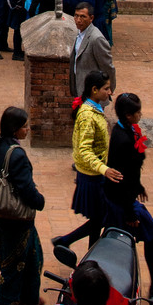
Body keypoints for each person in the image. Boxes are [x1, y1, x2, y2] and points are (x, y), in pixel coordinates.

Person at [104, 92, 153, 304]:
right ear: (128, 115)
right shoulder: (123, 140)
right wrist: (130, 211)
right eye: (137, 112)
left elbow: (131, 172)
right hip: (123, 202)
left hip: (123, 198)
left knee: (120, 240)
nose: (141, 115)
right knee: (145, 237)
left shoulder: (125, 130)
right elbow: (123, 176)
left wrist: (138, 186)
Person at [0, 107, 45, 305]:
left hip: (6, 216)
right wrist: (39, 200)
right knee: (14, 265)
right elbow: (26, 188)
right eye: (25, 127)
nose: (28, 130)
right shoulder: (17, 154)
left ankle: (28, 299)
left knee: (33, 256)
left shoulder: (1, 144)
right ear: (15, 129)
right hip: (17, 220)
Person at [53, 70, 122, 250]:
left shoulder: (93, 109)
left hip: (95, 173)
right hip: (91, 176)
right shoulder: (87, 115)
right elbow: (84, 149)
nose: (110, 92)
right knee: (101, 217)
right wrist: (103, 168)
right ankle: (68, 242)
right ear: (94, 90)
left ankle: (75, 245)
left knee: (99, 218)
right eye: (106, 89)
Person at [69, 1, 116, 98]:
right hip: (80, 88)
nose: (78, 20)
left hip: (94, 94)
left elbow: (107, 66)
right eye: (76, 16)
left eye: (83, 17)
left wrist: (109, 88)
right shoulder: (78, 33)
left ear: (91, 18)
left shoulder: (96, 39)